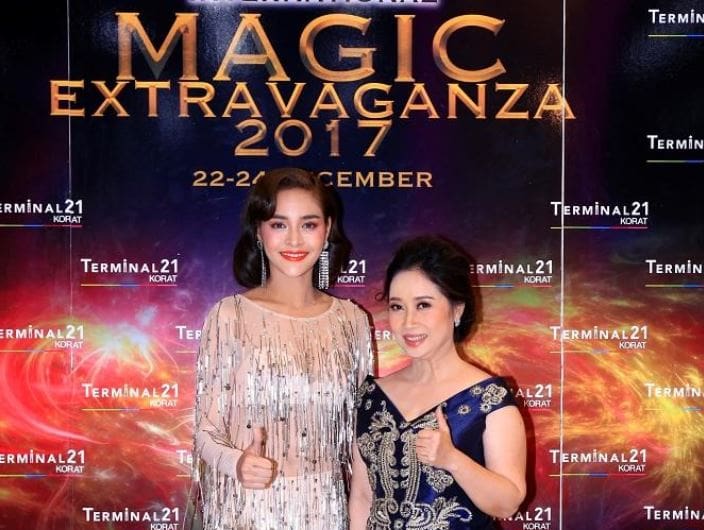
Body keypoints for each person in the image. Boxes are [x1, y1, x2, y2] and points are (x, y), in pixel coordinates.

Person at [192, 167, 373, 530]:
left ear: (327, 229)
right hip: (247, 511)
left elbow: (361, 440)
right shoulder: (230, 316)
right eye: (278, 224)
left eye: (308, 224)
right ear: (259, 232)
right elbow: (206, 431)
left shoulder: (351, 320)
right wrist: (236, 463)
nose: (293, 239)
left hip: (326, 512)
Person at [349, 236, 526, 530]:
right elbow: (362, 497)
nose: (408, 322)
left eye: (423, 305)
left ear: (457, 310)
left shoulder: (488, 398)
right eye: (397, 307)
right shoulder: (372, 397)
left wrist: (452, 459)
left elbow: (508, 503)